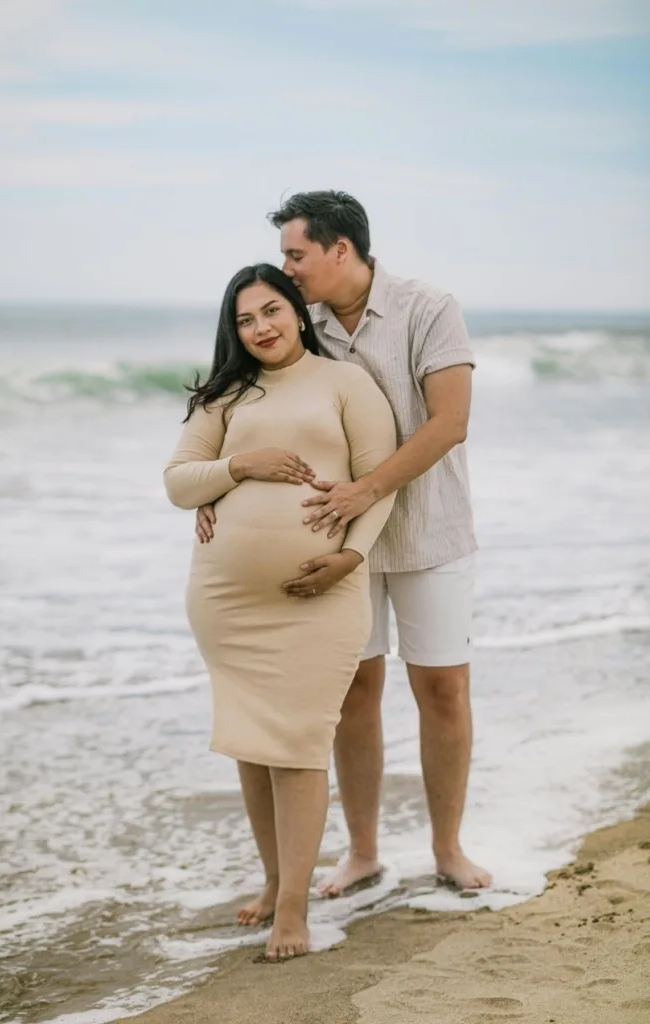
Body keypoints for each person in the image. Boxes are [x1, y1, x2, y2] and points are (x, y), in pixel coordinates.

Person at [197, 192, 492, 893]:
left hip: (428, 530)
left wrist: (367, 489)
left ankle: (447, 848)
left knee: (442, 687)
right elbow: (256, 406)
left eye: (295, 254)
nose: (286, 270)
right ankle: (362, 851)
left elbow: (449, 423)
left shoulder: (427, 307)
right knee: (352, 692)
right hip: (332, 540)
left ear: (340, 249)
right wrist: (214, 490)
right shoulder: (303, 320)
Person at [164, 263, 396, 961]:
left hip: (320, 597)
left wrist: (350, 557)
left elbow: (377, 481)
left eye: (271, 310)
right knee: (251, 742)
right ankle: (272, 883)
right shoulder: (225, 393)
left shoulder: (345, 383)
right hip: (226, 601)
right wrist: (240, 466)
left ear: (297, 311)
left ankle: (292, 912)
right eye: (244, 319)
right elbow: (177, 482)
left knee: (295, 746)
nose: (260, 327)